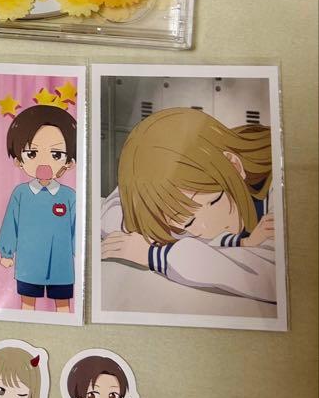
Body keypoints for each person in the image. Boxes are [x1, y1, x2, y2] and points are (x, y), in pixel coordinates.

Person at [101, 108, 277, 303]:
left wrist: (155, 255)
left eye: (213, 202)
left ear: (234, 165)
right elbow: (112, 213)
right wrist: (241, 244)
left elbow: (272, 278)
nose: (207, 229)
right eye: (188, 223)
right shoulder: (178, 193)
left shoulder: (277, 179)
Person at [0, 105, 77, 312]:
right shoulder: (21, 194)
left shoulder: (69, 196)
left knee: (63, 306)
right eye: (32, 153)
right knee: (27, 305)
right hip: (28, 265)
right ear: (18, 160)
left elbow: (76, 230)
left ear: (69, 162)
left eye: (56, 154)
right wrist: (6, 252)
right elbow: (11, 224)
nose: (44, 162)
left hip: (61, 266)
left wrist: (80, 254)